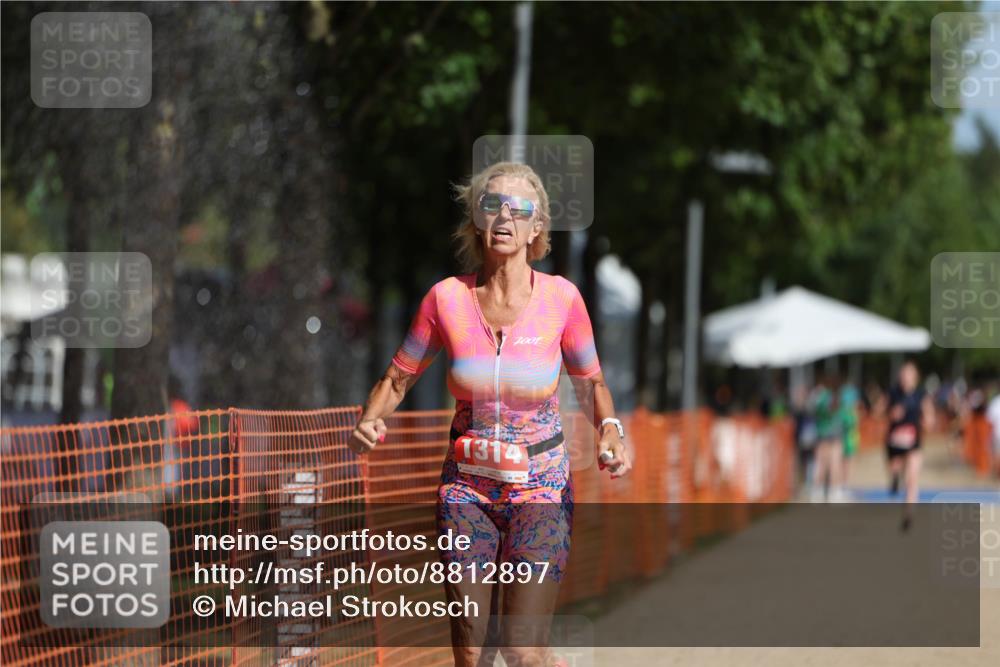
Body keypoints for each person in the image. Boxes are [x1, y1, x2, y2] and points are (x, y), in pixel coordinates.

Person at [348, 162, 631, 667]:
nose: (505, 217)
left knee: (523, 650)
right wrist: (370, 419)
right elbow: (399, 375)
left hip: (540, 487)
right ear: (477, 220)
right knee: (473, 650)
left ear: (537, 226)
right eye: (492, 205)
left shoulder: (562, 300)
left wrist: (610, 431)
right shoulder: (446, 299)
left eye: (519, 209)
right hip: (466, 490)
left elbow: (590, 383)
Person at [885, 361, 935, 531]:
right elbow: (884, 412)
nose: (905, 377)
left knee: (912, 478)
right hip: (895, 441)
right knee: (895, 469)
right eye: (903, 373)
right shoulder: (893, 393)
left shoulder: (921, 394)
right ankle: (894, 479)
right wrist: (894, 414)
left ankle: (908, 515)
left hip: (914, 441)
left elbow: (929, 415)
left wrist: (928, 420)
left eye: (909, 374)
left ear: (915, 377)